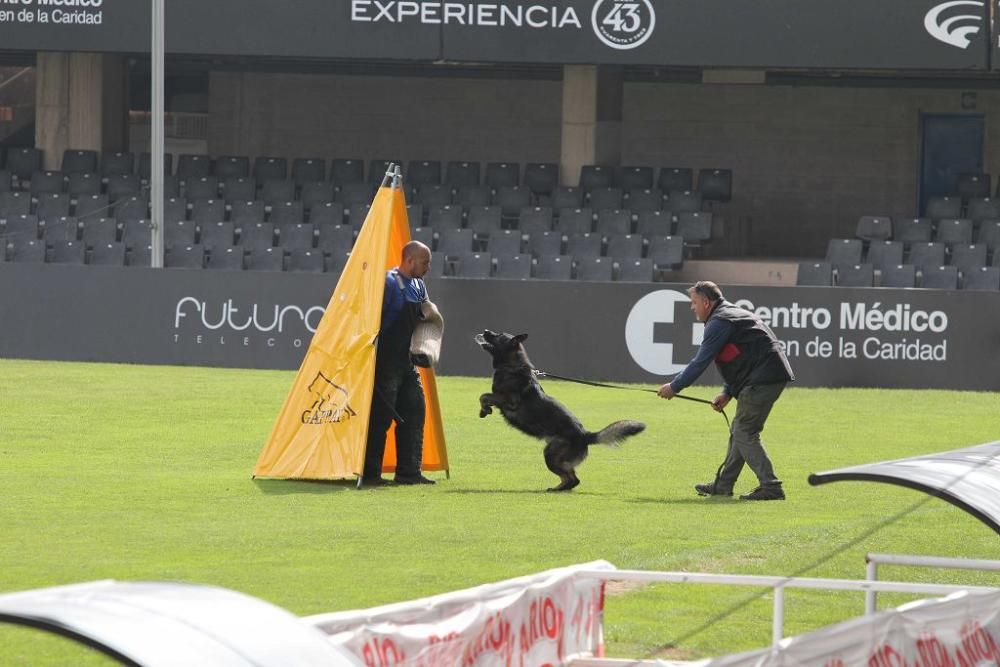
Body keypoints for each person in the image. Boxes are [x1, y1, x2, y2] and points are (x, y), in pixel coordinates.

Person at [657, 281, 793, 501]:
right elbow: (742, 355)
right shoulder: (730, 315)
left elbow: (700, 361)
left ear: (706, 302)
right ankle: (723, 485)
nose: (692, 308)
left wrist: (674, 386)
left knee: (744, 430)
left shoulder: (719, 321)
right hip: (765, 375)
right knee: (740, 430)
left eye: (694, 303)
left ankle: (771, 486)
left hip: (763, 378)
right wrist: (728, 392)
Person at [362, 240, 436, 487]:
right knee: (380, 418)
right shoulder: (388, 282)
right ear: (410, 260)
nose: (428, 267)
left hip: (406, 362)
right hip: (385, 362)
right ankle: (370, 474)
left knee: (415, 411)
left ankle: (408, 473)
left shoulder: (418, 285)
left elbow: (424, 320)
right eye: (425, 262)